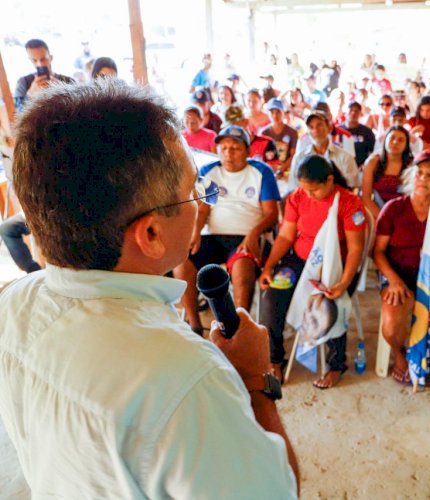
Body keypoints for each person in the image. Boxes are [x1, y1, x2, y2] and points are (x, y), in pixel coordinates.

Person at [0, 79, 298, 497]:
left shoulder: (12, 302)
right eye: (192, 191)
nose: (200, 201)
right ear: (153, 233)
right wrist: (253, 379)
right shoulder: (188, 381)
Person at [259, 155, 366, 389]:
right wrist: (268, 266)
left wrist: (344, 281)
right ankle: (275, 358)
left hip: (335, 264)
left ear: (330, 180)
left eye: (314, 190)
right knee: (271, 301)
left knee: (328, 304)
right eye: (304, 189)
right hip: (299, 260)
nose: (308, 194)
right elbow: (287, 236)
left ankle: (336, 364)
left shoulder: (349, 203)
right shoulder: (297, 197)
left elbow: (356, 249)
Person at [174, 125, 280, 335]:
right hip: (213, 236)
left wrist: (253, 234)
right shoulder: (209, 171)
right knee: (182, 261)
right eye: (223, 148)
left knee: (242, 267)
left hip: (246, 237)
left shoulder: (261, 172)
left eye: (235, 148)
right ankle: (195, 325)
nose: (228, 154)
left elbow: (271, 214)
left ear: (248, 151)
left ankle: (238, 329)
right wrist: (195, 231)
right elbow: (203, 209)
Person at [373, 152, 430, 384]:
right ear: (410, 176)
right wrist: (393, 280)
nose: (423, 179)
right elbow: (377, 252)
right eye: (419, 173)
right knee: (391, 326)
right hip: (400, 280)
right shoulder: (393, 208)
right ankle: (400, 356)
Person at [288, 111, 358, 192]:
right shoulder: (300, 158)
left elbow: (353, 188)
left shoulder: (345, 158)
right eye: (311, 127)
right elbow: (293, 188)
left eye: (319, 125)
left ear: (329, 128)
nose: (315, 130)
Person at [361, 125, 413, 218]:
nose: (395, 142)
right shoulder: (372, 163)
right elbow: (366, 197)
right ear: (385, 141)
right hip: (377, 213)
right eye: (392, 138)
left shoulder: (411, 165)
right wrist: (383, 218)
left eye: (401, 140)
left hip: (403, 215)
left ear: (406, 145)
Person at [13, 39, 75, 110]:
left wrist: (62, 91)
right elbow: (18, 113)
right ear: (30, 60)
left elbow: (78, 110)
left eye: (43, 59)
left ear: (51, 58)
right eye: (34, 60)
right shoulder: (23, 82)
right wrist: (30, 96)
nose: (40, 64)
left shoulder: (68, 80)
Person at [260, 98, 299, 175]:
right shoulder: (263, 132)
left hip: (286, 171)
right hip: (268, 171)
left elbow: (293, 155)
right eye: (272, 112)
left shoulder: (292, 132)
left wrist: (282, 168)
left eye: (278, 112)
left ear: (283, 113)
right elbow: (261, 155)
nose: (275, 116)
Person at [340, 101, 376, 167]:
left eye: (356, 111)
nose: (353, 113)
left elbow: (373, 151)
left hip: (361, 168)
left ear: (360, 114)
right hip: (341, 168)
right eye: (351, 110)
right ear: (346, 113)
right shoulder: (338, 131)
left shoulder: (367, 132)